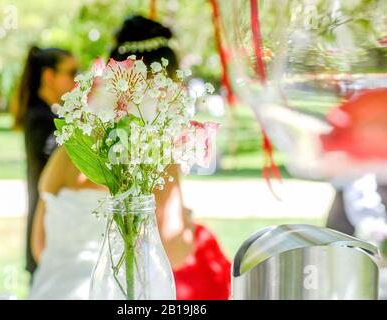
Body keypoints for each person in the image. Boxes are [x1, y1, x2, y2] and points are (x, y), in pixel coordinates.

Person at [29, 15, 231, 300]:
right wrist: (187, 219)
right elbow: (174, 249)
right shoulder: (154, 150)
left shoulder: (73, 144)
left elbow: (40, 247)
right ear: (167, 81)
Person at [12, 46, 78, 281]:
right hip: (45, 234)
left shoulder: (47, 115)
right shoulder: (41, 119)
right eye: (72, 73)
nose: (76, 81)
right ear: (49, 76)